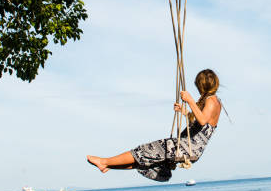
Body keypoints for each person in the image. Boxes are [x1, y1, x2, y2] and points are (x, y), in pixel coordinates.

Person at [87, 69, 221, 182]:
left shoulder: (211, 100)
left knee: (144, 151)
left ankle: (104, 161)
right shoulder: (214, 101)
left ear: (201, 85)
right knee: (147, 161)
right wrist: (184, 111)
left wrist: (190, 100)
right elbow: (200, 123)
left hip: (186, 148)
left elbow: (202, 120)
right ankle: (109, 166)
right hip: (189, 148)